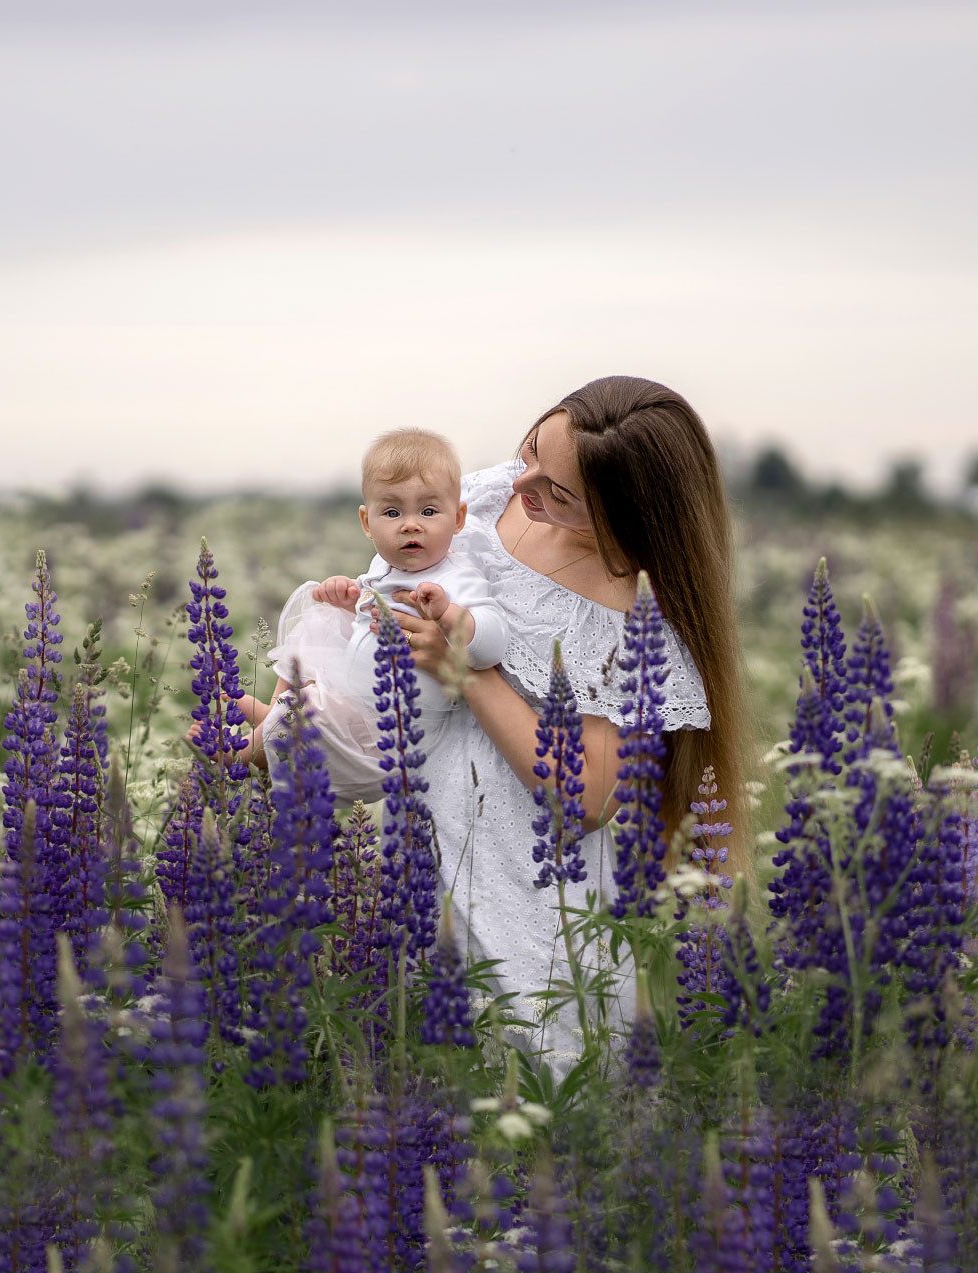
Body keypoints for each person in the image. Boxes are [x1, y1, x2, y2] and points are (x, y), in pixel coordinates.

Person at [379, 376, 753, 1068]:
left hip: (530, 891)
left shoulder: (628, 609)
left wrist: (468, 671)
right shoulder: (488, 496)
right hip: (420, 847)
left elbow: (588, 796)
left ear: (625, 518)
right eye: (531, 452)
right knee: (406, 1074)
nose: (523, 484)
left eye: (558, 494)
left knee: (522, 1091)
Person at [247, 428, 510, 801]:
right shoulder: (382, 566)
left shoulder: (457, 578)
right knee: (316, 620)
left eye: (428, 511)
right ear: (367, 523)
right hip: (354, 698)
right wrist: (347, 600)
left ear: (458, 518)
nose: (410, 524)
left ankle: (244, 755)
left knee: (305, 713)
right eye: (392, 512)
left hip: (393, 732)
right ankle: (273, 714)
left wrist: (449, 614)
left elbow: (492, 644)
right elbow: (366, 615)